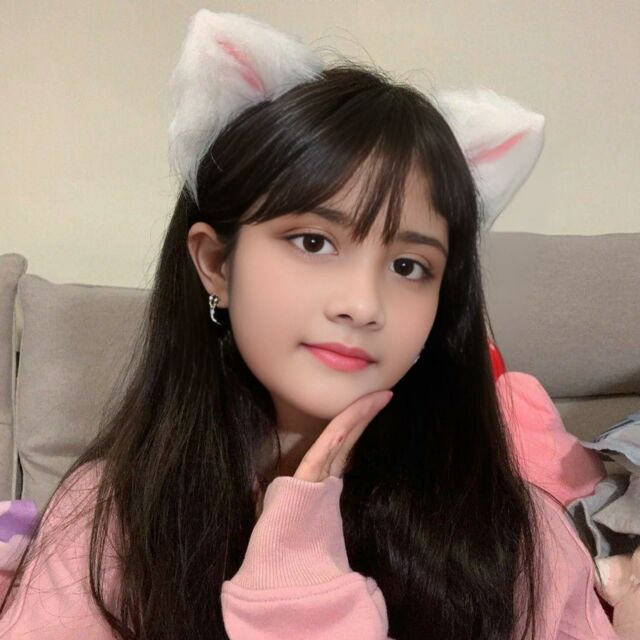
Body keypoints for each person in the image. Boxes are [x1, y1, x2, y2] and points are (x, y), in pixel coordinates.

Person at [0, 10, 619, 640]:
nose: (363, 303)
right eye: (314, 242)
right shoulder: (110, 519)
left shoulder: (519, 538)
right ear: (216, 264)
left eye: (409, 266)